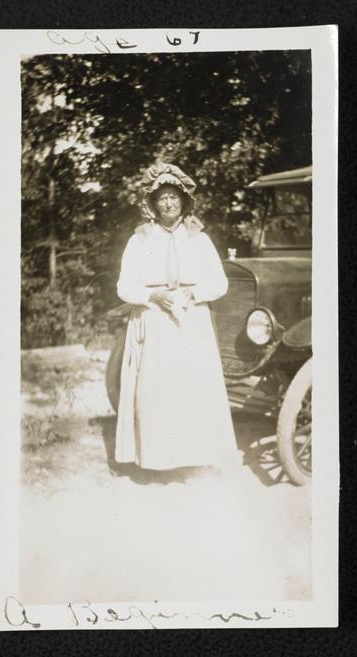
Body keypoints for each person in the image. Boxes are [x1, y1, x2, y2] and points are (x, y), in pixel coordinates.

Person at [115, 162, 240, 474]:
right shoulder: (140, 240)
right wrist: (152, 296)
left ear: (184, 201)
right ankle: (156, 460)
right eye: (162, 198)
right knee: (156, 389)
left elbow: (220, 283)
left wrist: (192, 294)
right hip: (154, 320)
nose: (168, 203)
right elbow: (124, 286)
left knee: (191, 387)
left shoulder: (199, 239)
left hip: (191, 320)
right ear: (152, 204)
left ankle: (192, 460)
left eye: (174, 196)